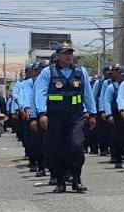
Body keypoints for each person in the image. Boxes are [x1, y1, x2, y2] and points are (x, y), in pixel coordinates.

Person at [33, 43, 92, 194]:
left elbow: (87, 93)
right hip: (55, 116)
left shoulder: (81, 71)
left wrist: (92, 113)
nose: (68, 56)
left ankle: (76, 179)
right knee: (56, 148)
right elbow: (40, 93)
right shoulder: (48, 72)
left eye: (70, 53)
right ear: (58, 55)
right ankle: (60, 181)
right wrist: (42, 113)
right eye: (65, 53)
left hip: (76, 116)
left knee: (77, 146)